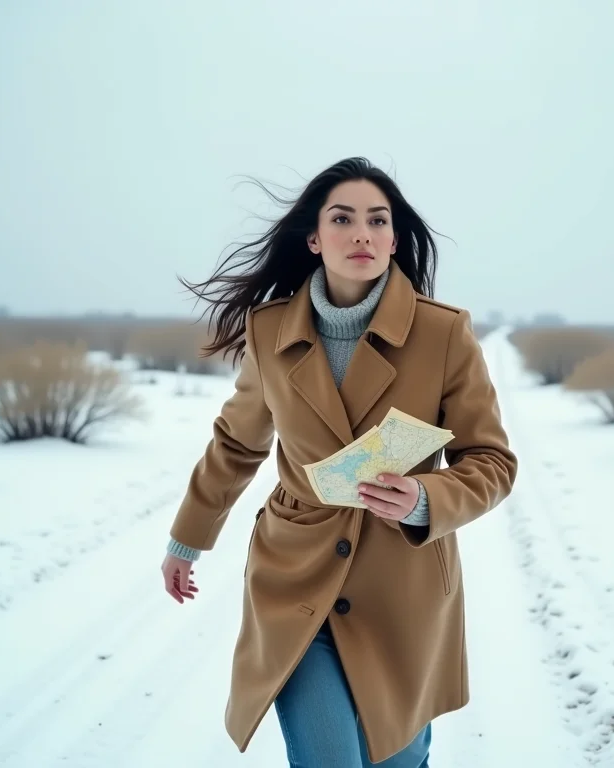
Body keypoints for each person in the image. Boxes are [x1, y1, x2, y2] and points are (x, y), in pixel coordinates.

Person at [161, 157, 518, 767]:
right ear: (313, 237)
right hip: (295, 576)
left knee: (398, 760)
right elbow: (237, 443)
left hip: (401, 588)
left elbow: (491, 460)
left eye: (378, 220)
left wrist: (427, 498)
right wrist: (187, 541)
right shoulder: (269, 330)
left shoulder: (444, 333)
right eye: (342, 218)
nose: (362, 233)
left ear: (394, 238)